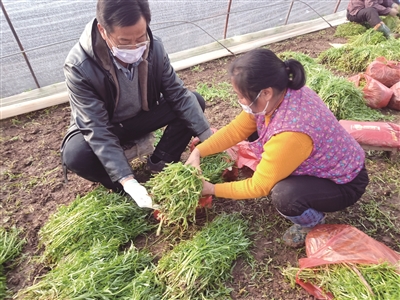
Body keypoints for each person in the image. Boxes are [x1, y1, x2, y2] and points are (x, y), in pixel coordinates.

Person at [186, 49, 369, 248]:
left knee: (284, 195)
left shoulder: (291, 132)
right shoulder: (280, 95)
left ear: (266, 92)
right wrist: (199, 152)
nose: (240, 101)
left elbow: (259, 186)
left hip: (344, 183)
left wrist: (211, 189)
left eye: (241, 96)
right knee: (255, 133)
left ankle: (312, 223)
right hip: (321, 161)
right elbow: (236, 130)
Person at [60, 0, 212, 209]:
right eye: (124, 41)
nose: (134, 48)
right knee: (75, 155)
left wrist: (211, 141)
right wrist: (126, 179)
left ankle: (161, 162)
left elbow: (178, 94)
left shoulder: (154, 48)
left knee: (193, 100)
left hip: (139, 117)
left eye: (140, 38)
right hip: (108, 126)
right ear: (103, 31)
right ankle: (124, 187)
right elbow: (96, 128)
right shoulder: (79, 66)